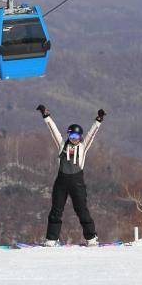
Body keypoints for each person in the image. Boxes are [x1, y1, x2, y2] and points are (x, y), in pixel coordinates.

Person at [36, 104, 105, 247]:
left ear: (80, 137)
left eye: (77, 136)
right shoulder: (62, 144)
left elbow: (92, 133)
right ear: (68, 135)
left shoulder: (83, 146)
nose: (75, 139)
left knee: (81, 210)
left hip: (77, 182)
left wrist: (98, 120)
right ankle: (51, 239)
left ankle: (91, 238)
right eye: (72, 136)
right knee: (56, 209)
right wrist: (46, 116)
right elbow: (53, 130)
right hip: (61, 181)